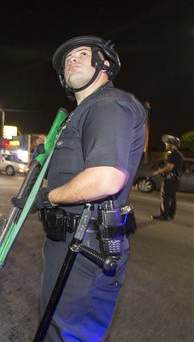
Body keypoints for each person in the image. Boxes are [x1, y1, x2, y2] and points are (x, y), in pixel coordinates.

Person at [32, 36, 146, 341]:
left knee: (69, 334)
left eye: (82, 54)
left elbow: (105, 178)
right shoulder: (76, 117)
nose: (72, 60)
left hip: (88, 246)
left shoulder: (109, 104)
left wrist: (47, 198)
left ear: (104, 63)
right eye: (67, 59)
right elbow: (67, 173)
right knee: (53, 329)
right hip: (66, 241)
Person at [150, 134, 184, 220]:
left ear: (172, 145)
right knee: (172, 198)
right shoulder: (178, 154)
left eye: (167, 143)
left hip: (170, 179)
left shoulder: (173, 154)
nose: (166, 145)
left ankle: (164, 215)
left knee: (165, 197)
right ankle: (170, 215)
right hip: (175, 179)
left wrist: (158, 171)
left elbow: (170, 166)